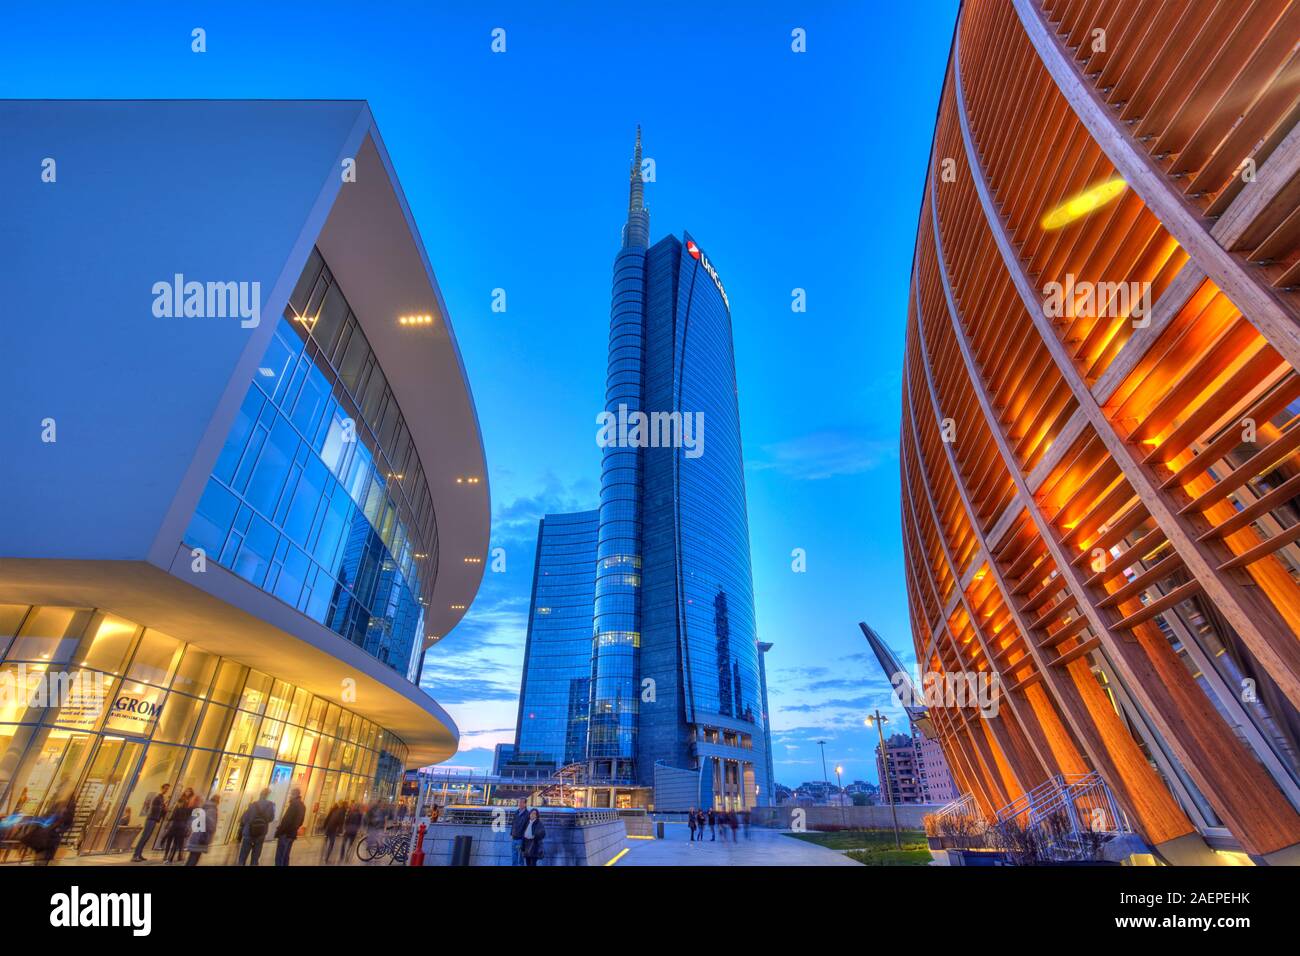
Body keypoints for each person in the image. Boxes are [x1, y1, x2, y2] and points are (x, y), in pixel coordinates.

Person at [238, 788, 276, 866]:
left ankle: (241, 864)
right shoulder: (271, 805)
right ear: (268, 796)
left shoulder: (253, 804)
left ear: (260, 795)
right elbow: (271, 818)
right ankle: (254, 864)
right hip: (261, 832)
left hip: (249, 831)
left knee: (243, 854)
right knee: (256, 854)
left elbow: (244, 819)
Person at [131, 784, 170, 862]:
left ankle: (139, 854)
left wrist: (164, 808)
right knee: (144, 837)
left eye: (167, 789)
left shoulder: (161, 798)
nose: (166, 790)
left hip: (154, 819)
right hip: (151, 819)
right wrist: (163, 807)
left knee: (147, 837)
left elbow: (161, 809)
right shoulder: (157, 797)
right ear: (161, 788)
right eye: (165, 789)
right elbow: (153, 808)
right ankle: (135, 855)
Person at [184, 794, 219, 866]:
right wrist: (212, 831)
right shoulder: (212, 810)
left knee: (192, 858)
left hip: (196, 835)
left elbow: (192, 820)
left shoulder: (203, 807)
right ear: (217, 801)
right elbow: (210, 825)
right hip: (202, 837)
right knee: (194, 859)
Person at [274, 787, 306, 866]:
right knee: (285, 856)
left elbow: (286, 820)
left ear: (294, 795)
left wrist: (279, 831)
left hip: (286, 834)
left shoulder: (293, 804)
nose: (289, 796)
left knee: (280, 856)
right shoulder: (302, 806)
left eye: (290, 794)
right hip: (292, 834)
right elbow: (301, 822)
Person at [162, 787, 194, 863]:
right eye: (186, 791)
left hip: (182, 823)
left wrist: (188, 824)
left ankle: (178, 855)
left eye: (189, 791)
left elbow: (189, 814)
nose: (187, 792)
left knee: (179, 840)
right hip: (176, 822)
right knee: (171, 839)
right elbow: (174, 811)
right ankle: (167, 855)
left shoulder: (190, 802)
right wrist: (169, 820)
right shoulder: (181, 800)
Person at [509, 798, 529, 866]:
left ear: (525, 804)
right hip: (514, 838)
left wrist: (524, 839)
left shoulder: (527, 814)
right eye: (519, 802)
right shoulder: (516, 812)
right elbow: (513, 823)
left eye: (521, 802)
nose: (519, 804)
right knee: (514, 856)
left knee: (520, 857)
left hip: (520, 839)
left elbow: (527, 828)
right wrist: (511, 834)